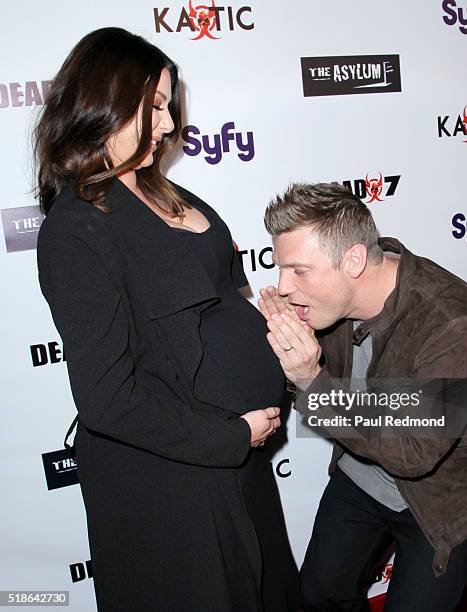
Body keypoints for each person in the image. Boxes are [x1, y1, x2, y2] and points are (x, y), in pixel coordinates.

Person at [35, 27, 298, 612]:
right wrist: (232, 435)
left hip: (240, 461)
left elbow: (226, 301)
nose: (167, 124)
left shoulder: (171, 192)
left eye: (168, 106)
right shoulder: (76, 229)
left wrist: (276, 334)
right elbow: (109, 397)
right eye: (152, 106)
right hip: (173, 480)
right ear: (103, 102)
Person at [258, 182, 467, 611]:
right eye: (281, 268)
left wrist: (310, 378)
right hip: (364, 470)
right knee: (317, 594)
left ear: (354, 260)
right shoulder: (332, 303)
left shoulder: (454, 322)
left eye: (299, 270)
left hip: (447, 499)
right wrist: (295, 352)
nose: (283, 286)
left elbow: (414, 452)